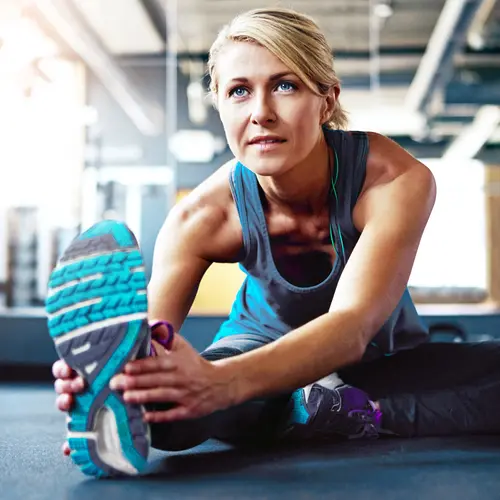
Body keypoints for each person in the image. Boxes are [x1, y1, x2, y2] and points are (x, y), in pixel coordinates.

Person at [49, 7, 500, 478]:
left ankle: (316, 409)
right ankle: (333, 410)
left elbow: (351, 327)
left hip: (385, 358)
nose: (260, 112)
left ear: (327, 101)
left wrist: (223, 385)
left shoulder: (393, 180)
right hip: (255, 350)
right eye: (239, 91)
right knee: (165, 408)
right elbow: (152, 343)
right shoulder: (201, 217)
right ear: (220, 105)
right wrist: (120, 376)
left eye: (284, 85)